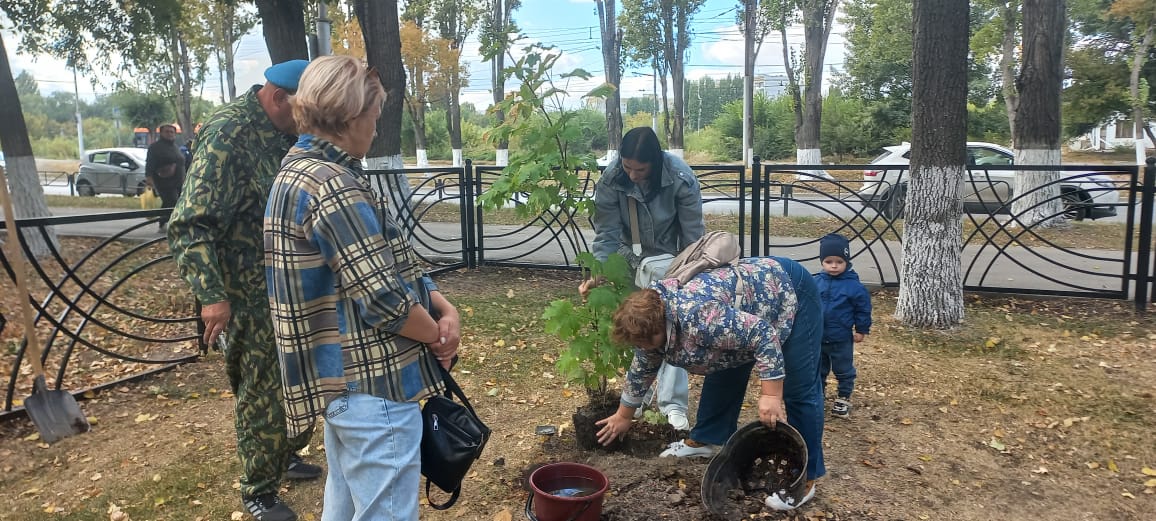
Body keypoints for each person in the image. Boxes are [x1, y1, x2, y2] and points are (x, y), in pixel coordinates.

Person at [263, 55, 462, 521]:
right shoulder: (332, 185)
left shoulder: (301, 171)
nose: (376, 128)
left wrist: (441, 304)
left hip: (347, 389)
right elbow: (385, 302)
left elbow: (389, 261)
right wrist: (437, 336)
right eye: (374, 116)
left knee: (346, 506)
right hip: (374, 387)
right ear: (351, 116)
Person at [167, 59, 320, 521]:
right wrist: (212, 296)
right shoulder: (228, 134)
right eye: (305, 109)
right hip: (245, 292)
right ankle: (259, 490)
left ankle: (285, 453)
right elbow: (189, 225)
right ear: (278, 99)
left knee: (301, 376)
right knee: (261, 390)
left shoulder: (285, 133)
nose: (310, 119)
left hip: (286, 283)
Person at [595, 256, 826, 511]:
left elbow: (763, 335)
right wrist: (623, 415)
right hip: (743, 308)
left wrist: (771, 395)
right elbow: (642, 368)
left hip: (787, 290)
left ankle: (806, 479)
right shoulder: (653, 323)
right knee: (722, 364)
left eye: (644, 343)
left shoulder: (700, 318)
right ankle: (707, 438)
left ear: (661, 327)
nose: (642, 349)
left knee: (800, 388)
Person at [583, 126, 705, 431]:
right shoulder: (612, 179)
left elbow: (693, 235)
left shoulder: (680, 177)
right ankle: (637, 397)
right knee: (637, 330)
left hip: (671, 260)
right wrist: (600, 273)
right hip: (627, 256)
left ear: (656, 162)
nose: (633, 175)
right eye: (627, 167)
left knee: (672, 328)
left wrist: (691, 274)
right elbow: (607, 233)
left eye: (640, 169)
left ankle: (673, 405)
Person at [815, 233, 872, 418]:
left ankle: (843, 398)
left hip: (841, 338)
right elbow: (807, 305)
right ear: (822, 261)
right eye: (829, 261)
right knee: (818, 369)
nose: (833, 265)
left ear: (846, 261)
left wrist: (861, 329)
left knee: (844, 370)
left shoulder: (854, 287)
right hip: (819, 337)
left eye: (839, 261)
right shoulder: (816, 282)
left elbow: (862, 309)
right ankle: (818, 396)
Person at [145, 124, 185, 230]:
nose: (170, 134)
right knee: (172, 201)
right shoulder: (155, 147)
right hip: (164, 181)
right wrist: (149, 179)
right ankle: (168, 224)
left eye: (172, 132)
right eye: (167, 132)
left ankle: (165, 223)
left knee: (172, 202)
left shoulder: (175, 147)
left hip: (179, 180)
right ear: (161, 133)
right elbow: (149, 164)